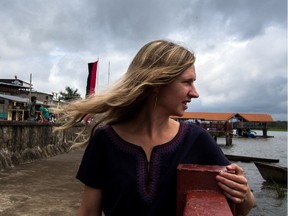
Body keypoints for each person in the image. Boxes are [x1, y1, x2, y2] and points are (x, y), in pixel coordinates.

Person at [57, 39, 255, 216]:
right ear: (156, 83)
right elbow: (89, 210)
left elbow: (243, 209)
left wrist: (243, 192)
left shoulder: (197, 139)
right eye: (187, 82)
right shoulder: (105, 140)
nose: (195, 93)